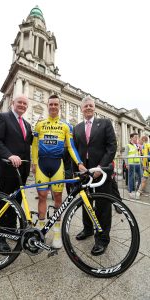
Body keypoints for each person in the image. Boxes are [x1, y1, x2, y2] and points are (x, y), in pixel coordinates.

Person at [32, 94, 85, 249]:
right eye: (51, 104)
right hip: (42, 164)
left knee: (57, 199)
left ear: (59, 106)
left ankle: (56, 234)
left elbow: (71, 147)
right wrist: (34, 163)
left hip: (57, 165)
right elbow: (34, 145)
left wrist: (79, 163)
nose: (53, 107)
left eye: (56, 104)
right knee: (42, 197)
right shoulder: (40, 124)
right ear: (47, 106)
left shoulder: (66, 126)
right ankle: (42, 233)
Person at [73, 95, 117, 256]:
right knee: (86, 202)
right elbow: (75, 150)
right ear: (82, 109)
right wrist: (78, 167)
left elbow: (112, 147)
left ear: (94, 107)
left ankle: (103, 238)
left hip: (101, 171)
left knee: (103, 205)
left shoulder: (105, 123)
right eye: (85, 106)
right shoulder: (77, 128)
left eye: (91, 106)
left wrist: (101, 167)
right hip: (85, 172)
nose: (88, 108)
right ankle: (88, 229)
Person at [0, 95, 32, 253]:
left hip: (22, 171)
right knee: (3, 203)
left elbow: (27, 147)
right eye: (19, 102)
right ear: (12, 104)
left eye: (25, 103)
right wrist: (9, 155)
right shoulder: (3, 117)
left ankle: (10, 229)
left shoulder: (27, 125)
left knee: (17, 202)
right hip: (8, 169)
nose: (22, 105)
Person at [124, 133, 142, 198]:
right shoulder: (128, 145)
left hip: (138, 163)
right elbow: (125, 155)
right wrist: (126, 164)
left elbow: (138, 154)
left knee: (141, 177)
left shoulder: (136, 145)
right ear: (131, 138)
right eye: (135, 137)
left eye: (137, 137)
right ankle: (130, 191)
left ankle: (138, 190)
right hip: (131, 164)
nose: (136, 139)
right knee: (131, 178)